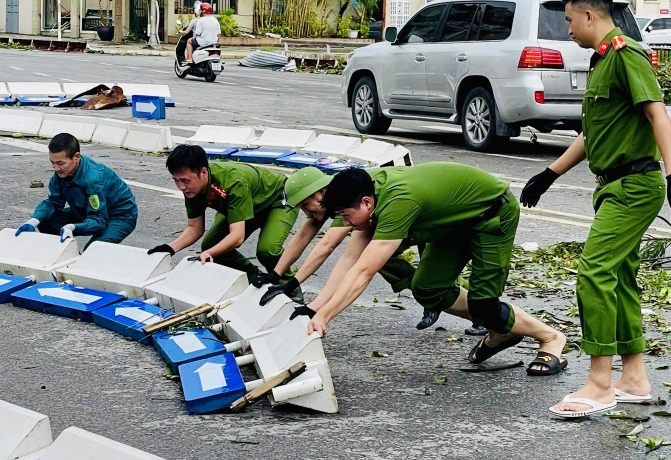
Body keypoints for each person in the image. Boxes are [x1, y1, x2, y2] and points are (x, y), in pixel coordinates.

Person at [519, 0, 671, 418]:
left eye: (569, 20)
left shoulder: (625, 54)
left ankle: (600, 383)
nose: (567, 29)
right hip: (614, 186)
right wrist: (549, 174)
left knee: (593, 272)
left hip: (634, 185)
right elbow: (593, 134)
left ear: (589, 16)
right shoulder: (601, 60)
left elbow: (656, 111)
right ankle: (635, 378)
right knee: (618, 277)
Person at [309, 163, 569, 377]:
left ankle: (551, 338)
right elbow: (350, 259)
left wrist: (326, 317)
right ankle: (502, 330)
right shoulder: (362, 186)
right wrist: (316, 309)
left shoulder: (398, 202)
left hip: (490, 215)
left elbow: (363, 272)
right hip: (453, 222)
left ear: (366, 203)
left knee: (484, 306)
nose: (346, 224)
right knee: (428, 289)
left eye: (346, 217)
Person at [252, 167, 464, 330]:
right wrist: (276, 274)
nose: (305, 212)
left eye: (306, 205)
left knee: (431, 262)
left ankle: (467, 303)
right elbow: (303, 235)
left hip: (415, 209)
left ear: (320, 194)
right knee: (376, 257)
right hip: (394, 214)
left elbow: (327, 246)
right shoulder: (330, 201)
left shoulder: (344, 200)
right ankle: (429, 295)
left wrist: (307, 298)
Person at [147, 145, 298, 282]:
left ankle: (288, 289)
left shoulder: (232, 182)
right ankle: (253, 278)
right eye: (176, 180)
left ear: (204, 173)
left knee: (267, 250)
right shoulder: (193, 189)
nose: (181, 187)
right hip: (246, 207)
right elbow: (194, 228)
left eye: (185, 181)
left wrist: (209, 253)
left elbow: (237, 237)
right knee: (212, 244)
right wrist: (169, 248)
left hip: (277, 201)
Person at [15, 133, 138, 245]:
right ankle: (64, 259)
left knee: (93, 251)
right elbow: (54, 202)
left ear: (76, 157)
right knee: (46, 222)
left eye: (60, 163)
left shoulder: (93, 180)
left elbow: (99, 220)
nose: (56, 168)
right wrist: (33, 221)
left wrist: (73, 227)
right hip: (85, 210)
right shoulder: (61, 174)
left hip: (118, 216)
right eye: (52, 162)